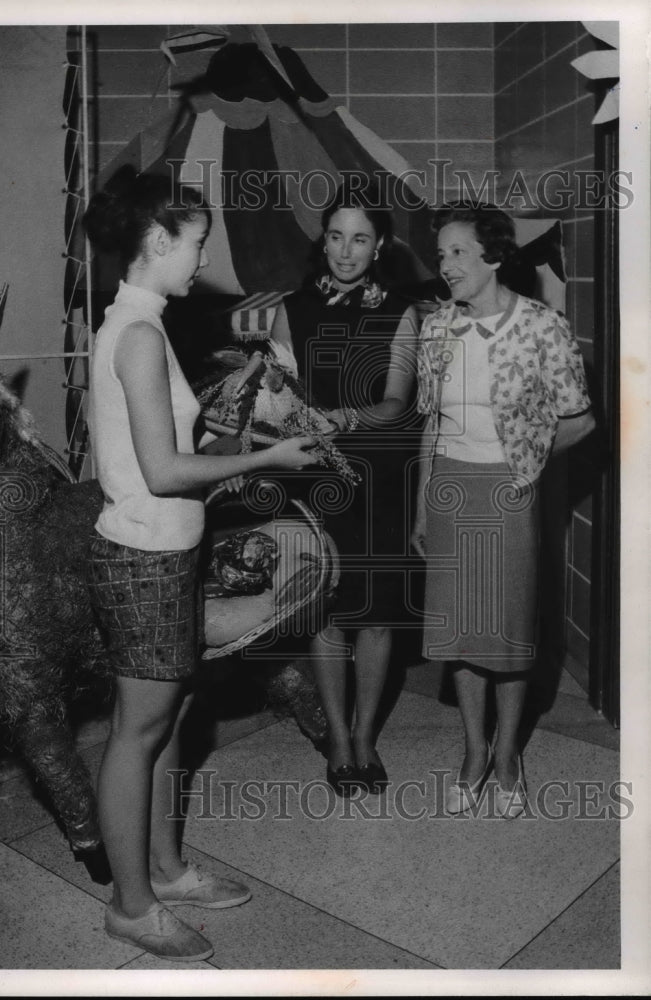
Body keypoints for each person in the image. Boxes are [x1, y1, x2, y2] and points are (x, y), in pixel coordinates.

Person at [83, 167, 319, 961]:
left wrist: (249, 432)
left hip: (164, 553)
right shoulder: (141, 336)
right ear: (157, 241)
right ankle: (131, 906)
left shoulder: (136, 323)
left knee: (170, 719)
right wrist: (274, 458)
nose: (203, 257)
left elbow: (176, 453)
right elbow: (162, 472)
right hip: (143, 558)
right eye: (195, 242)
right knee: (135, 731)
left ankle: (167, 870)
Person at [411, 202, 595, 819]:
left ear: (493, 255)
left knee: (509, 634)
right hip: (449, 489)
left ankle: (510, 753)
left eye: (458, 252)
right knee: (462, 633)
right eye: (441, 254)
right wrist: (420, 504)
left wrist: (528, 467)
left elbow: (581, 420)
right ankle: (472, 751)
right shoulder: (436, 327)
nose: (446, 265)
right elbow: (429, 425)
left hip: (509, 490)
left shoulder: (543, 327)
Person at [269, 180, 419, 797]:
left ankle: (364, 737)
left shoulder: (402, 311)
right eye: (336, 236)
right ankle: (336, 738)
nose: (346, 251)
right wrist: (284, 417)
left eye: (360, 238)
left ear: (379, 244)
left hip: (382, 476)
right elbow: (278, 401)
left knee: (379, 615)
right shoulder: (292, 309)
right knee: (326, 608)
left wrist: (343, 419)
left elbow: (396, 402)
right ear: (322, 240)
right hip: (315, 478)